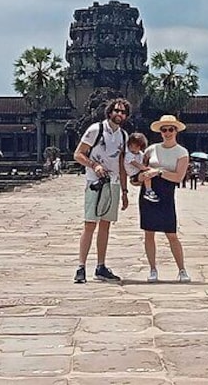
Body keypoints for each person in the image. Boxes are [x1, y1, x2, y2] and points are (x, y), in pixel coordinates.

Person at [72, 98, 130, 283]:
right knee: (90, 224)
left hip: (112, 184)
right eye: (116, 111)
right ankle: (81, 267)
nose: (119, 114)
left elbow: (121, 163)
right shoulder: (95, 130)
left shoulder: (124, 136)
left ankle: (101, 266)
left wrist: (125, 190)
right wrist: (94, 165)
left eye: (123, 112)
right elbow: (78, 154)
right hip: (94, 182)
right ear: (109, 112)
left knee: (105, 224)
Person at [137, 114, 191, 283]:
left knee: (171, 233)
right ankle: (153, 268)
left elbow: (178, 177)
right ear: (160, 132)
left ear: (176, 131)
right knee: (149, 233)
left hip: (167, 193)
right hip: (148, 192)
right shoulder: (151, 149)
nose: (167, 133)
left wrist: (159, 171)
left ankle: (181, 269)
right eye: (164, 130)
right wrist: (141, 177)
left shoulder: (181, 152)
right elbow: (139, 169)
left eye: (170, 129)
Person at [124, 132, 158, 203]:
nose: (133, 149)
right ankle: (148, 191)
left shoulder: (140, 154)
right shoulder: (128, 155)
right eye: (131, 146)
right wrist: (146, 168)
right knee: (147, 175)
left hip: (139, 172)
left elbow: (144, 160)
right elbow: (136, 164)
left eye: (136, 147)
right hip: (134, 175)